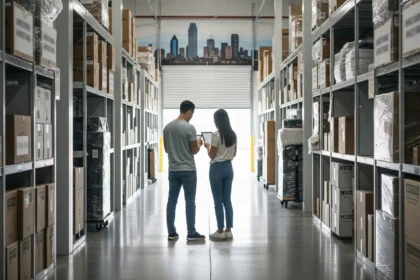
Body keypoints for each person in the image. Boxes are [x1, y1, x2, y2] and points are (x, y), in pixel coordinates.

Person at [163, 100, 206, 241]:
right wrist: (199, 143)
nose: (191, 116)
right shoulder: (190, 128)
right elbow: (194, 150)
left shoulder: (167, 128)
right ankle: (191, 232)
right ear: (188, 112)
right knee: (189, 201)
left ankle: (171, 232)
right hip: (188, 170)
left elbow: (167, 149)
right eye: (192, 113)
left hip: (173, 170)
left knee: (172, 200)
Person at [204, 109, 237, 239]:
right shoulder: (233, 135)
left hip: (216, 168)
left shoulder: (215, 135)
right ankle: (229, 230)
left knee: (218, 200)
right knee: (227, 199)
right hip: (229, 168)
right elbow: (234, 154)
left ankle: (220, 231)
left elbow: (212, 156)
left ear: (217, 121)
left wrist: (207, 146)